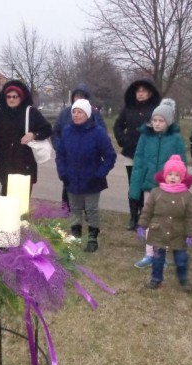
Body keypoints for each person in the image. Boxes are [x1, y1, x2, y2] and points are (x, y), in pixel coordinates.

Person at [128, 99, 186, 268]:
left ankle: (161, 254)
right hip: (149, 186)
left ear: (168, 122)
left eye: (161, 121)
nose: (157, 124)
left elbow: (181, 163)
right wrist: (135, 187)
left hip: (167, 188)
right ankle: (149, 254)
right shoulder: (145, 137)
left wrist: (179, 185)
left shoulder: (175, 139)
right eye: (155, 120)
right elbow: (138, 161)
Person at [55, 99, 116, 253]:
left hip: (92, 180)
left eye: (80, 112)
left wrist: (99, 174)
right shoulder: (67, 131)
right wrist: (63, 173)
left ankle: (92, 238)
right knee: (74, 209)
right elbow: (60, 154)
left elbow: (110, 156)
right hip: (72, 179)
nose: (76, 115)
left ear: (87, 114)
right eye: (74, 112)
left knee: (91, 209)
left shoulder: (98, 132)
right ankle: (75, 237)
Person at [137, 155, 192, 291]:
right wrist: (142, 225)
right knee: (157, 259)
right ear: (164, 175)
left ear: (182, 178)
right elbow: (147, 211)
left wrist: (191, 234)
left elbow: (191, 217)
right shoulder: (156, 192)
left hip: (179, 233)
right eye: (170, 174)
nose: (173, 177)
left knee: (181, 260)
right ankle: (156, 279)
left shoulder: (186, 196)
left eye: (177, 175)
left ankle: (183, 280)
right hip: (158, 232)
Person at [113, 79, 161, 230]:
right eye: (138, 91)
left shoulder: (155, 109)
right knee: (133, 184)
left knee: (146, 185)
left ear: (149, 93)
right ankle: (133, 216)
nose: (140, 94)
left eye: (144, 91)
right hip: (131, 152)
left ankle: (143, 215)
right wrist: (123, 140)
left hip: (149, 154)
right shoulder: (128, 108)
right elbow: (118, 125)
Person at [0, 80, 52, 195]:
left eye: (15, 96)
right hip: (5, 164)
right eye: (8, 97)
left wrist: (34, 134)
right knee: (6, 199)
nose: (11, 99)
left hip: (25, 163)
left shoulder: (31, 113)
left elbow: (47, 129)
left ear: (21, 97)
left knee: (22, 202)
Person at [53, 84, 106, 211]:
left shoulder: (95, 114)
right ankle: (66, 209)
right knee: (68, 183)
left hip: (88, 157)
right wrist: (60, 148)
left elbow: (102, 133)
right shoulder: (65, 113)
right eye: (76, 96)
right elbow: (56, 132)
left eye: (82, 96)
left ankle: (87, 211)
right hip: (69, 155)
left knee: (87, 186)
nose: (78, 98)